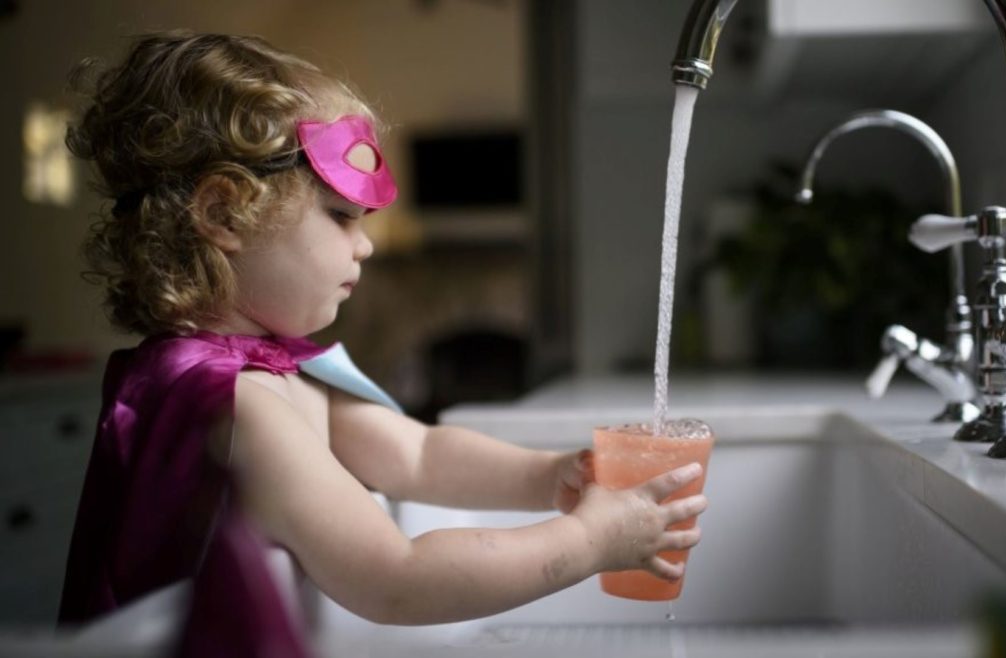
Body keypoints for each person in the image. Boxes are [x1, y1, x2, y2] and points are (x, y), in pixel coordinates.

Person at [58, 29, 707, 648]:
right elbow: (395, 578)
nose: (365, 243)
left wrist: (550, 476)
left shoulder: (267, 374)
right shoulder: (235, 405)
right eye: (341, 216)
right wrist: (590, 542)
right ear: (225, 213)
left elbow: (417, 455)